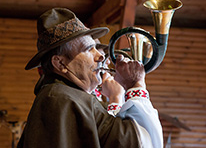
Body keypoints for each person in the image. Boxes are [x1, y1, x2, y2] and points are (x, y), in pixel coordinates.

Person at [17, 8, 163, 148]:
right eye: (88, 49)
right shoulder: (63, 99)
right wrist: (135, 84)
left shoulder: (66, 96)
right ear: (60, 63)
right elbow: (142, 141)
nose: (101, 56)